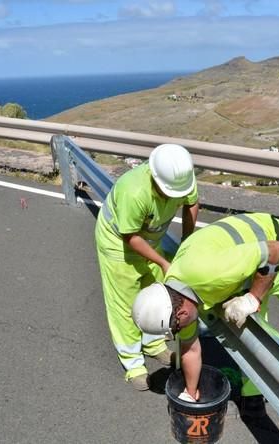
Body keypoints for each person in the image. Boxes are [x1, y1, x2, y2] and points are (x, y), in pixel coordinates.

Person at [132, 212, 279, 416]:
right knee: (254, 335)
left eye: (176, 329)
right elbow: (190, 349)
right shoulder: (176, 297)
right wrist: (191, 392)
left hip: (275, 245)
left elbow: (275, 250)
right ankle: (253, 396)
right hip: (243, 264)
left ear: (179, 313)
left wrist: (253, 298)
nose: (179, 332)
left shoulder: (209, 271)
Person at [95, 143, 199, 391]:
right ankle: (133, 363)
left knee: (156, 295)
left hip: (151, 240)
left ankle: (153, 344)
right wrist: (163, 261)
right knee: (125, 303)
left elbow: (192, 204)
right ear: (154, 177)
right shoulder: (134, 191)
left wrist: (186, 243)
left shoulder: (181, 176)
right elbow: (130, 237)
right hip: (118, 245)